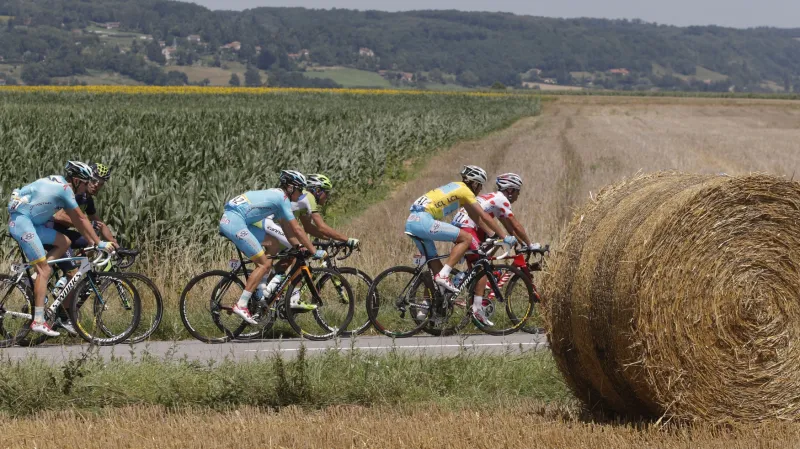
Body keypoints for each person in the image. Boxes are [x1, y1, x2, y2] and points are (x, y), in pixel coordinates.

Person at [7, 161, 117, 336]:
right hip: (22, 223)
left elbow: (80, 222)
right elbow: (81, 220)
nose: (89, 185)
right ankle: (38, 320)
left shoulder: (60, 183)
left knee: (64, 241)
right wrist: (100, 243)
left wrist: (97, 241)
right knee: (44, 271)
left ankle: (41, 272)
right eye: (86, 181)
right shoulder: (64, 190)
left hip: (33, 224)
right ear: (76, 180)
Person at [219, 170, 325, 324]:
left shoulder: (277, 199)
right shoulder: (282, 199)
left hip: (238, 220)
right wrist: (313, 251)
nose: (301, 194)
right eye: (300, 189)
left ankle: (261, 289)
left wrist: (299, 247)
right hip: (235, 222)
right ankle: (241, 305)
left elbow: (288, 231)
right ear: (290, 188)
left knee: (274, 244)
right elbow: (297, 229)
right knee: (263, 263)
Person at [251, 173, 359, 310]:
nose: (328, 196)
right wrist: (347, 240)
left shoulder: (302, 199)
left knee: (291, 257)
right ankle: (292, 297)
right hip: (268, 224)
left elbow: (309, 227)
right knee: (300, 253)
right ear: (318, 191)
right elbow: (322, 227)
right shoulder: (309, 198)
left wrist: (331, 239)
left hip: (271, 225)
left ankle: (271, 292)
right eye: (327, 192)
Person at [405, 165, 516, 294]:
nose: (480, 190)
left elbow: (475, 217)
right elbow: (483, 215)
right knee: (466, 238)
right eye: (480, 185)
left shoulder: (456, 187)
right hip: (424, 220)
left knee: (434, 261)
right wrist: (504, 237)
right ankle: (444, 275)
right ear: (474, 183)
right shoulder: (466, 191)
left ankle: (425, 309)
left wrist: (492, 235)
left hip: (412, 221)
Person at [451, 173, 539, 325]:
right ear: (510, 190)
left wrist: (519, 244)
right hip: (468, 227)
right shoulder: (502, 200)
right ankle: (477, 309)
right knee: (482, 263)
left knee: (488, 253)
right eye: (518, 191)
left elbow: (508, 228)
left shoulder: (494, 199)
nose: (518, 195)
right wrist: (530, 245)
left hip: (465, 225)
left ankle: (470, 281)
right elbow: (516, 225)